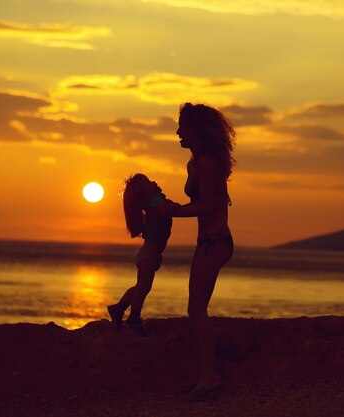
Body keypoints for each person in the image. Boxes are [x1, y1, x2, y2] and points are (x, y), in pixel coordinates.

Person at [158, 102, 235, 401]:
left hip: (216, 241)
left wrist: (173, 212)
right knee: (195, 308)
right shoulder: (195, 162)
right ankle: (203, 374)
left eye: (183, 126)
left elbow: (211, 206)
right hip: (206, 241)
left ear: (197, 130)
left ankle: (209, 377)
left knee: (196, 309)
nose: (178, 131)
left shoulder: (207, 163)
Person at [107, 173, 178, 336]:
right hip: (149, 254)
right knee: (144, 286)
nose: (154, 182)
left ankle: (118, 308)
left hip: (149, 254)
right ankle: (134, 317)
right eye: (149, 183)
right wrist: (182, 208)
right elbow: (165, 209)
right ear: (145, 192)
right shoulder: (155, 201)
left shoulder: (155, 200)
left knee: (141, 286)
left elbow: (165, 207)